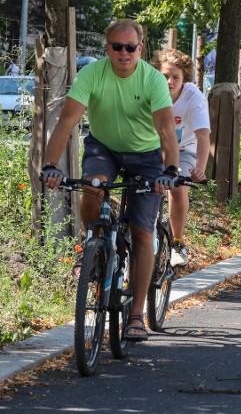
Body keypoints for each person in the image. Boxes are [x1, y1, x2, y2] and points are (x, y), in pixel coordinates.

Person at [41, 18, 179, 342]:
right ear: (107, 49)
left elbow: (165, 130)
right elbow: (67, 122)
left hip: (146, 156)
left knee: (142, 231)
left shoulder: (153, 81)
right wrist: (50, 164)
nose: (124, 53)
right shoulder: (92, 74)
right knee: (93, 185)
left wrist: (169, 170)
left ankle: (135, 316)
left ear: (140, 49)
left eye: (130, 47)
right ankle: (96, 246)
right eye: (117, 47)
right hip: (104, 148)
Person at [151, 48, 210, 268]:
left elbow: (203, 135)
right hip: (153, 148)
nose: (169, 82)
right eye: (164, 76)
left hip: (184, 149)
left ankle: (177, 243)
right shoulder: (149, 91)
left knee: (176, 187)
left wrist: (200, 169)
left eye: (175, 77)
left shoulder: (193, 97)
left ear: (184, 78)